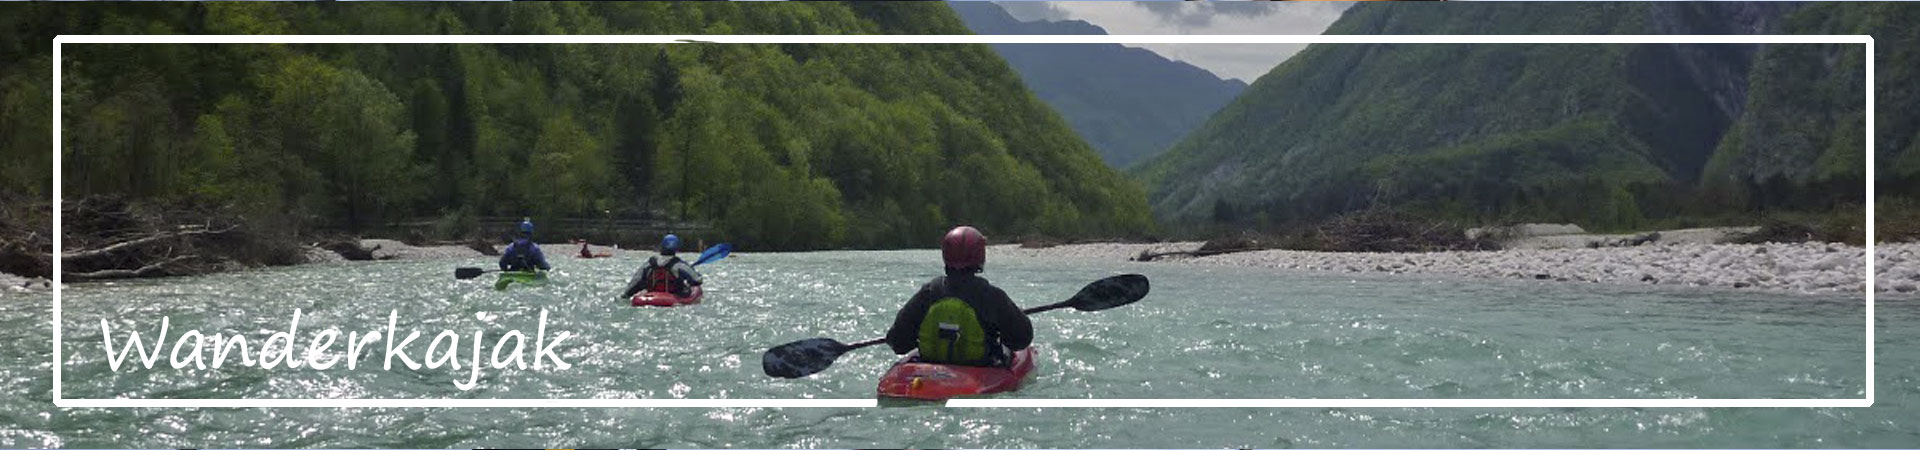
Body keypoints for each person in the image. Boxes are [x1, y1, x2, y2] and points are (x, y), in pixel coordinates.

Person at [884, 226, 1032, 367]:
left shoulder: (928, 293)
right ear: (980, 257)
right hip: (979, 369)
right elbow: (1021, 339)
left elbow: (898, 342)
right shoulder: (991, 295)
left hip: (930, 370)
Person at [621, 234, 704, 298]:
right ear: (676, 249)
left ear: (662, 246)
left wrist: (626, 295)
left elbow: (636, 281)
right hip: (673, 297)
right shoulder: (679, 265)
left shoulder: (649, 264)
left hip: (652, 296)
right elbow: (697, 280)